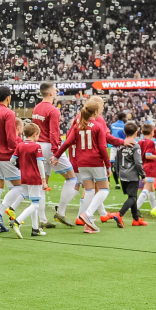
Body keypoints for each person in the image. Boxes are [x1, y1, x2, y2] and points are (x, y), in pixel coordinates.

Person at [52, 97, 123, 233]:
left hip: (81, 163)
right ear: (96, 112)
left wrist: (56, 156)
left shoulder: (78, 125)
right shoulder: (98, 125)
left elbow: (67, 142)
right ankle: (88, 214)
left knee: (89, 190)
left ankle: (87, 225)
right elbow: (102, 148)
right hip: (95, 161)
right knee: (104, 189)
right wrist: (108, 166)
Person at [32, 82, 78, 228]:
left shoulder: (37, 107)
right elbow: (53, 132)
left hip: (38, 146)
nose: (57, 92)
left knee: (42, 183)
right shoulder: (53, 110)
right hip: (49, 146)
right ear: (51, 93)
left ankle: (43, 219)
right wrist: (57, 152)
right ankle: (61, 211)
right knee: (72, 178)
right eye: (55, 90)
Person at [0, 86, 25, 233]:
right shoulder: (8, 113)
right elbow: (10, 137)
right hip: (5, 155)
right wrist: (16, 153)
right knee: (20, 187)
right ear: (8, 97)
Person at [10, 122, 48, 238]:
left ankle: (35, 228)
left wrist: (21, 165)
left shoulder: (20, 145)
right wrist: (43, 180)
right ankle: (17, 221)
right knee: (36, 204)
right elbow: (40, 164)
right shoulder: (37, 146)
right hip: (34, 177)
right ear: (35, 134)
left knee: (33, 201)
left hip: (24, 177)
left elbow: (12, 160)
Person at [113, 122, 147, 227]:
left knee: (132, 196)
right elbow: (138, 162)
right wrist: (143, 175)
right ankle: (120, 214)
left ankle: (136, 219)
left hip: (122, 175)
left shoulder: (121, 146)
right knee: (132, 197)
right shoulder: (135, 146)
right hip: (132, 176)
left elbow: (116, 161)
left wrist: (118, 174)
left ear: (124, 132)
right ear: (136, 133)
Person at [137, 123, 156, 212]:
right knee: (147, 189)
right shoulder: (151, 142)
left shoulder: (140, 141)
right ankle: (136, 208)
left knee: (152, 189)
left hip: (143, 166)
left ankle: (154, 209)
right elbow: (148, 156)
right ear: (152, 132)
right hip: (150, 167)